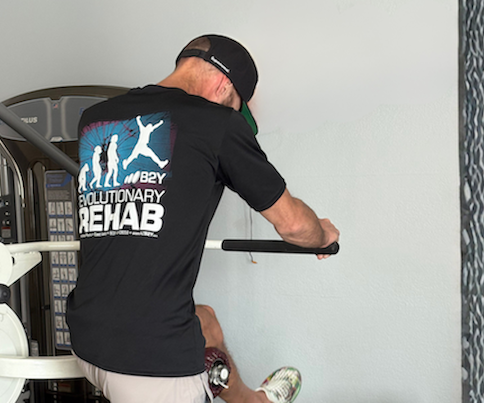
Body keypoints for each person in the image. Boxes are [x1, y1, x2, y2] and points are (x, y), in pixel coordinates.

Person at [67, 34, 339, 403]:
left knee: (205, 321)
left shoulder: (95, 118)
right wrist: (322, 235)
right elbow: (292, 224)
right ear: (223, 83)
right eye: (234, 103)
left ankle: (254, 401)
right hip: (151, 364)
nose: (232, 112)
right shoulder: (217, 124)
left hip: (87, 336)